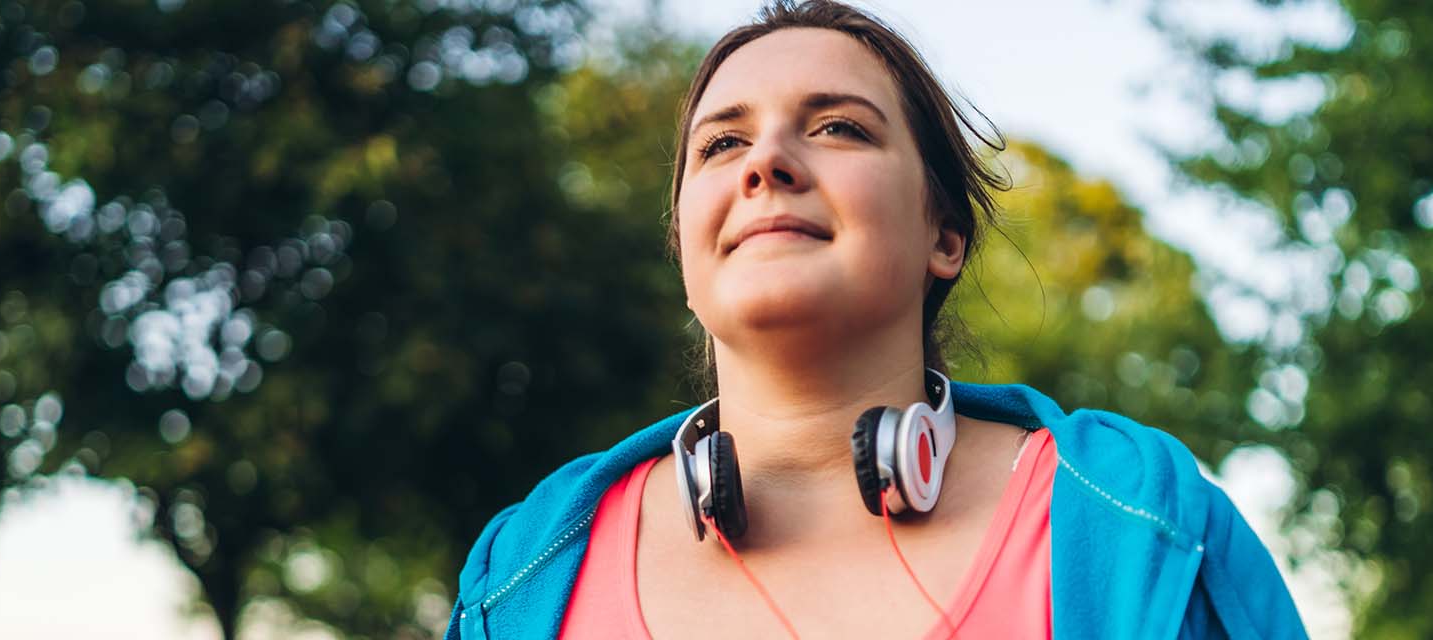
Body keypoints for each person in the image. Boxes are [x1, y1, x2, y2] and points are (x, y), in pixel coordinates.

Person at [448, 1, 1306, 638]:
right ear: (685, 252)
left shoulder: (1143, 521)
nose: (768, 163)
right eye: (721, 144)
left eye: (836, 127)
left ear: (945, 235)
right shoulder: (519, 574)